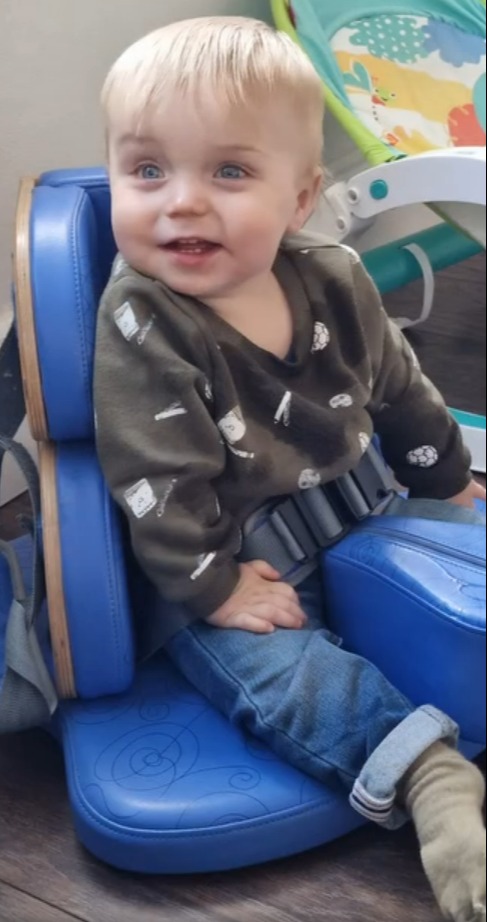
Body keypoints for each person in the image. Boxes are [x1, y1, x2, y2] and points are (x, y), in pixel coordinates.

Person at [94, 17, 486, 921]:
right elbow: (156, 481)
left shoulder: (335, 276)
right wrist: (215, 589)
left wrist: (446, 485)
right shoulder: (144, 318)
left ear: (301, 197)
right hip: (220, 559)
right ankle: (426, 775)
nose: (181, 202)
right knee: (288, 677)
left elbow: (400, 390)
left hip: (361, 507)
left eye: (228, 172)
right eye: (146, 170)